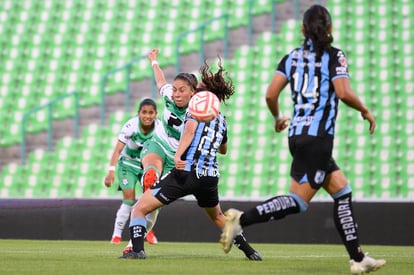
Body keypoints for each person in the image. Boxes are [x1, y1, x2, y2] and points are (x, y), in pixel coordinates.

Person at [220, 4, 386, 275]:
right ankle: (241, 219)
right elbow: (343, 92)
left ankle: (358, 258)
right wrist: (365, 109)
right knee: (298, 201)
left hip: (297, 134)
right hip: (319, 137)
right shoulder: (335, 56)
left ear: (302, 29)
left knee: (342, 191)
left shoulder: (292, 57)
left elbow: (271, 94)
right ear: (330, 29)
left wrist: (277, 118)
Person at [121, 58, 262, 261]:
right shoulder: (222, 120)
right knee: (219, 217)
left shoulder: (194, 108)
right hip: (210, 176)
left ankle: (137, 250)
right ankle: (250, 251)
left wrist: (179, 155)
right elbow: (223, 149)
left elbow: (189, 130)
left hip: (186, 172)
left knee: (140, 207)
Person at [104, 98, 160, 246]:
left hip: (145, 167)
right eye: (144, 112)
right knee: (129, 199)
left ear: (156, 114)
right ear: (138, 113)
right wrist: (111, 171)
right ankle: (116, 235)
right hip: (127, 164)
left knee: (148, 201)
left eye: (151, 112)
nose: (147, 116)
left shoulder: (160, 128)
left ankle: (147, 231)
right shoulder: (131, 125)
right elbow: (117, 150)